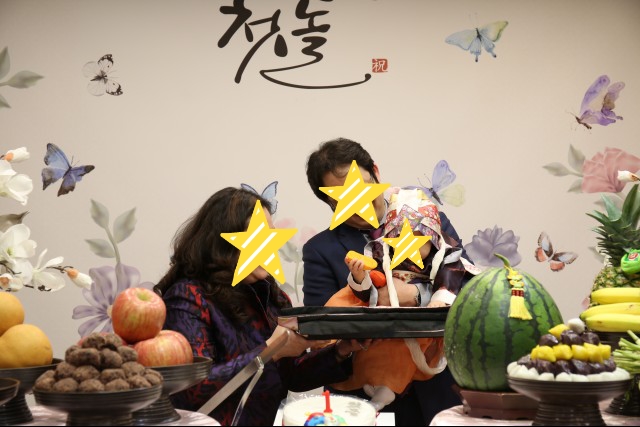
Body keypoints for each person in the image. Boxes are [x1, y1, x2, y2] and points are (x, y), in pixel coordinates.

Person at [154, 187, 370, 426]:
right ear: (223, 242)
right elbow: (191, 388)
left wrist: (341, 350)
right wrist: (270, 350)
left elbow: (291, 376)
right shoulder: (189, 298)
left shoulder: (269, 295)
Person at [302, 137, 474, 425]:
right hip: (365, 400)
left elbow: (468, 286)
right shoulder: (320, 250)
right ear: (328, 201)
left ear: (376, 172)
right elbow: (321, 334)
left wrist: (417, 295)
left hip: (439, 391)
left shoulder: (429, 221)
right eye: (342, 197)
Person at [325, 187, 477, 412]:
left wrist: (433, 298)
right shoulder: (381, 253)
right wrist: (360, 278)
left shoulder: (444, 256)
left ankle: (386, 386)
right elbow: (367, 291)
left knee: (398, 351)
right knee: (343, 307)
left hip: (416, 326)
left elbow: (458, 281)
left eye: (418, 239)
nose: (408, 244)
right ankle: (362, 372)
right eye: (400, 238)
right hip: (378, 313)